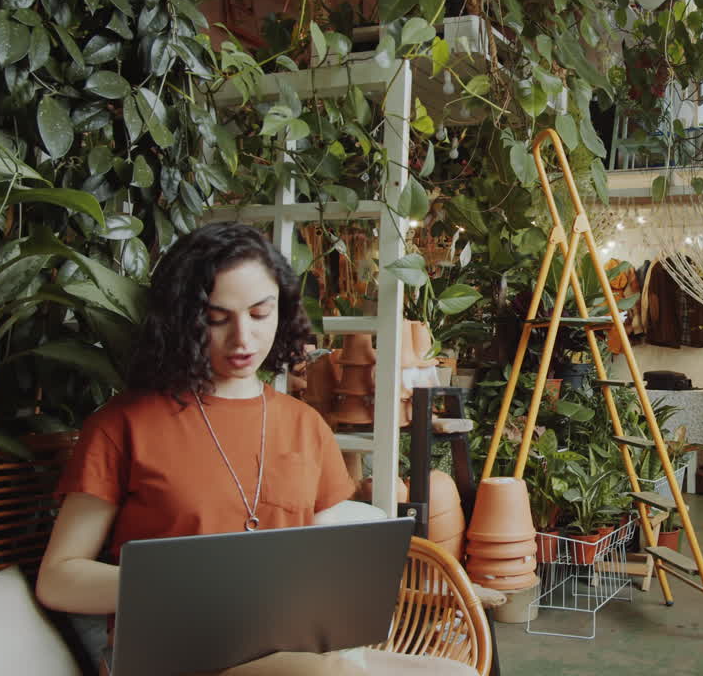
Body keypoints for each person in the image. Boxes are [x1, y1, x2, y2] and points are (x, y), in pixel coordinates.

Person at [36, 222, 475, 676]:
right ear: (182, 320)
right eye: (217, 318)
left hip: (285, 647)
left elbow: (327, 567)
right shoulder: (123, 425)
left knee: (451, 673)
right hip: (175, 655)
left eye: (260, 313)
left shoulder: (304, 424)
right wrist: (185, 585)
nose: (243, 338)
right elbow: (59, 578)